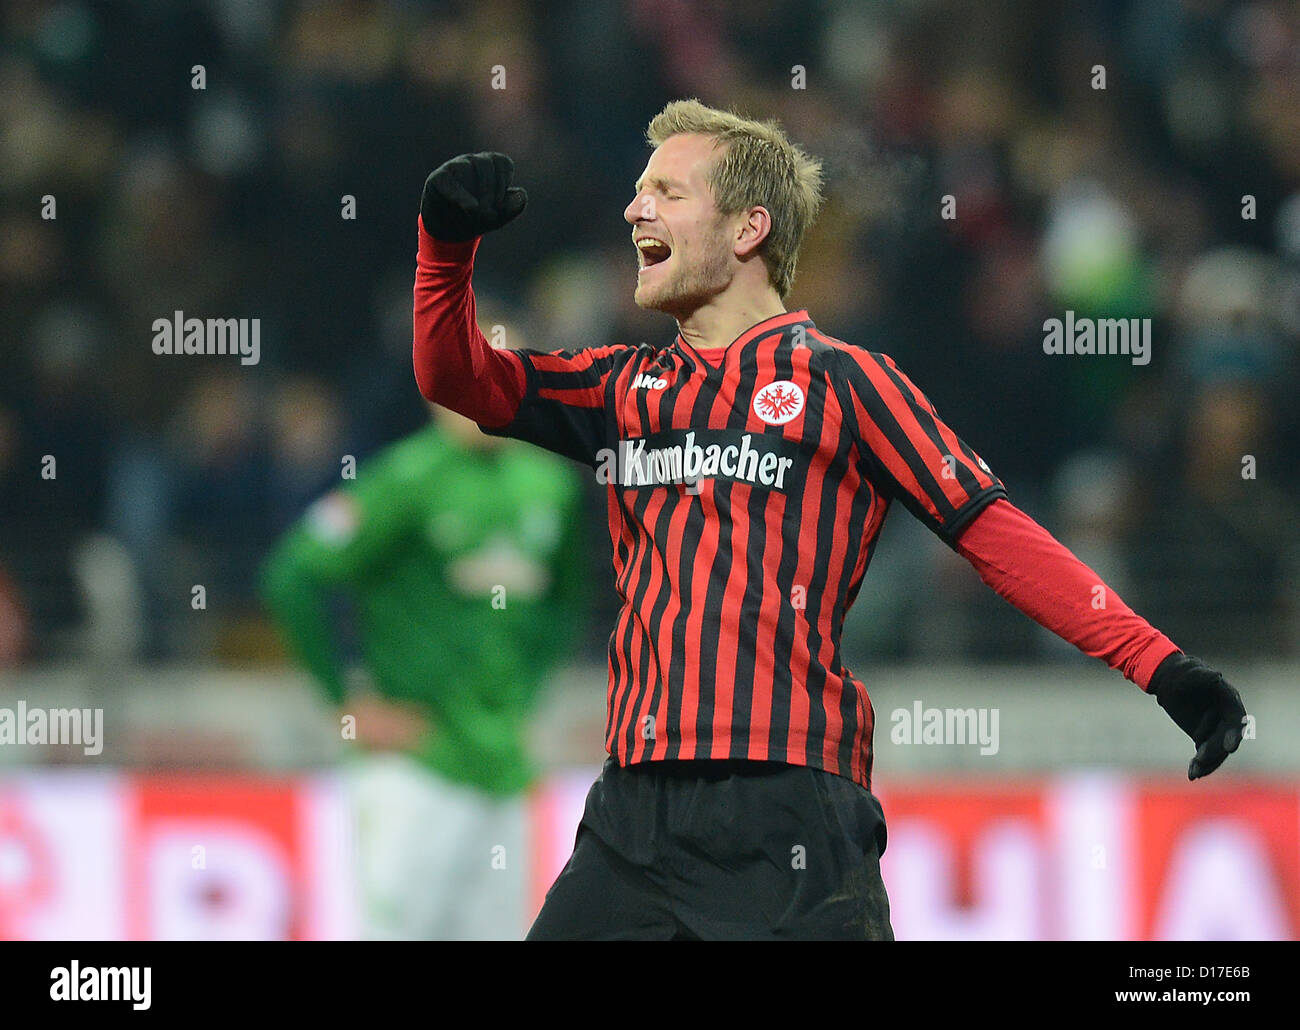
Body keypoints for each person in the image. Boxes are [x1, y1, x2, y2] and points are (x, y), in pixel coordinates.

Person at [411, 99, 1247, 941]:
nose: (636, 209)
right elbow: (458, 378)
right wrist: (446, 251)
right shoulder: (619, 385)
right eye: (637, 191)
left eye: (666, 190)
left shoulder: (847, 383)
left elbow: (995, 536)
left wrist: (1164, 669)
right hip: (631, 813)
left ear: (747, 230)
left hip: (786, 812)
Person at [259, 404, 589, 939]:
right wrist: (344, 700)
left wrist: (526, 696)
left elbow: (566, 603)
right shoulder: (405, 478)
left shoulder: (550, 486)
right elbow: (292, 575)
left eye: (502, 371)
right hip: (415, 767)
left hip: (505, 769)